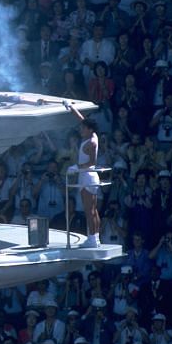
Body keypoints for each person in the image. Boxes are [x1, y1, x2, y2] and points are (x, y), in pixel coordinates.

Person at [63, 101, 102, 248]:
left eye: (83, 128)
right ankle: (95, 237)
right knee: (93, 209)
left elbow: (92, 162)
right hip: (87, 177)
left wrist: (76, 167)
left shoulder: (91, 142)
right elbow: (81, 119)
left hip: (88, 177)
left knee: (89, 210)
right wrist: (71, 107)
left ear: (89, 129)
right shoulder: (91, 134)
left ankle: (92, 238)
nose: (80, 129)